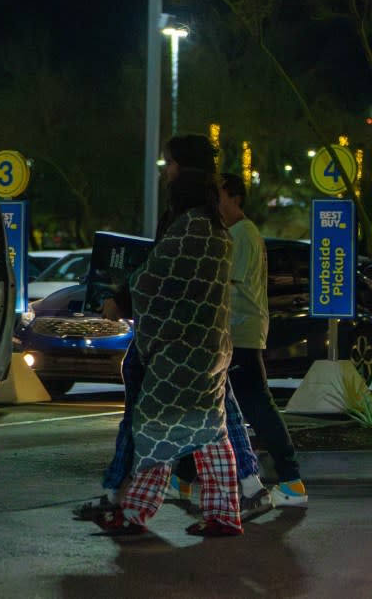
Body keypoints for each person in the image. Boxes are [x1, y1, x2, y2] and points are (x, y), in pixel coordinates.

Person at [74, 138, 272, 524]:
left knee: (155, 422)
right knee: (207, 429)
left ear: (183, 170)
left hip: (178, 348)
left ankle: (127, 503)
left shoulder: (191, 226)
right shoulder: (211, 226)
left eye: (169, 163)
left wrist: (124, 299)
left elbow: (156, 276)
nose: (164, 170)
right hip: (205, 346)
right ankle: (225, 507)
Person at [213, 172, 306, 507]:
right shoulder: (241, 233)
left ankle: (291, 481)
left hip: (241, 332)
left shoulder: (241, 235)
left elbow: (227, 284)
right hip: (238, 332)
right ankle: (184, 478)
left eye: (219, 196)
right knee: (221, 407)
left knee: (256, 406)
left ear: (235, 198)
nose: (215, 203)